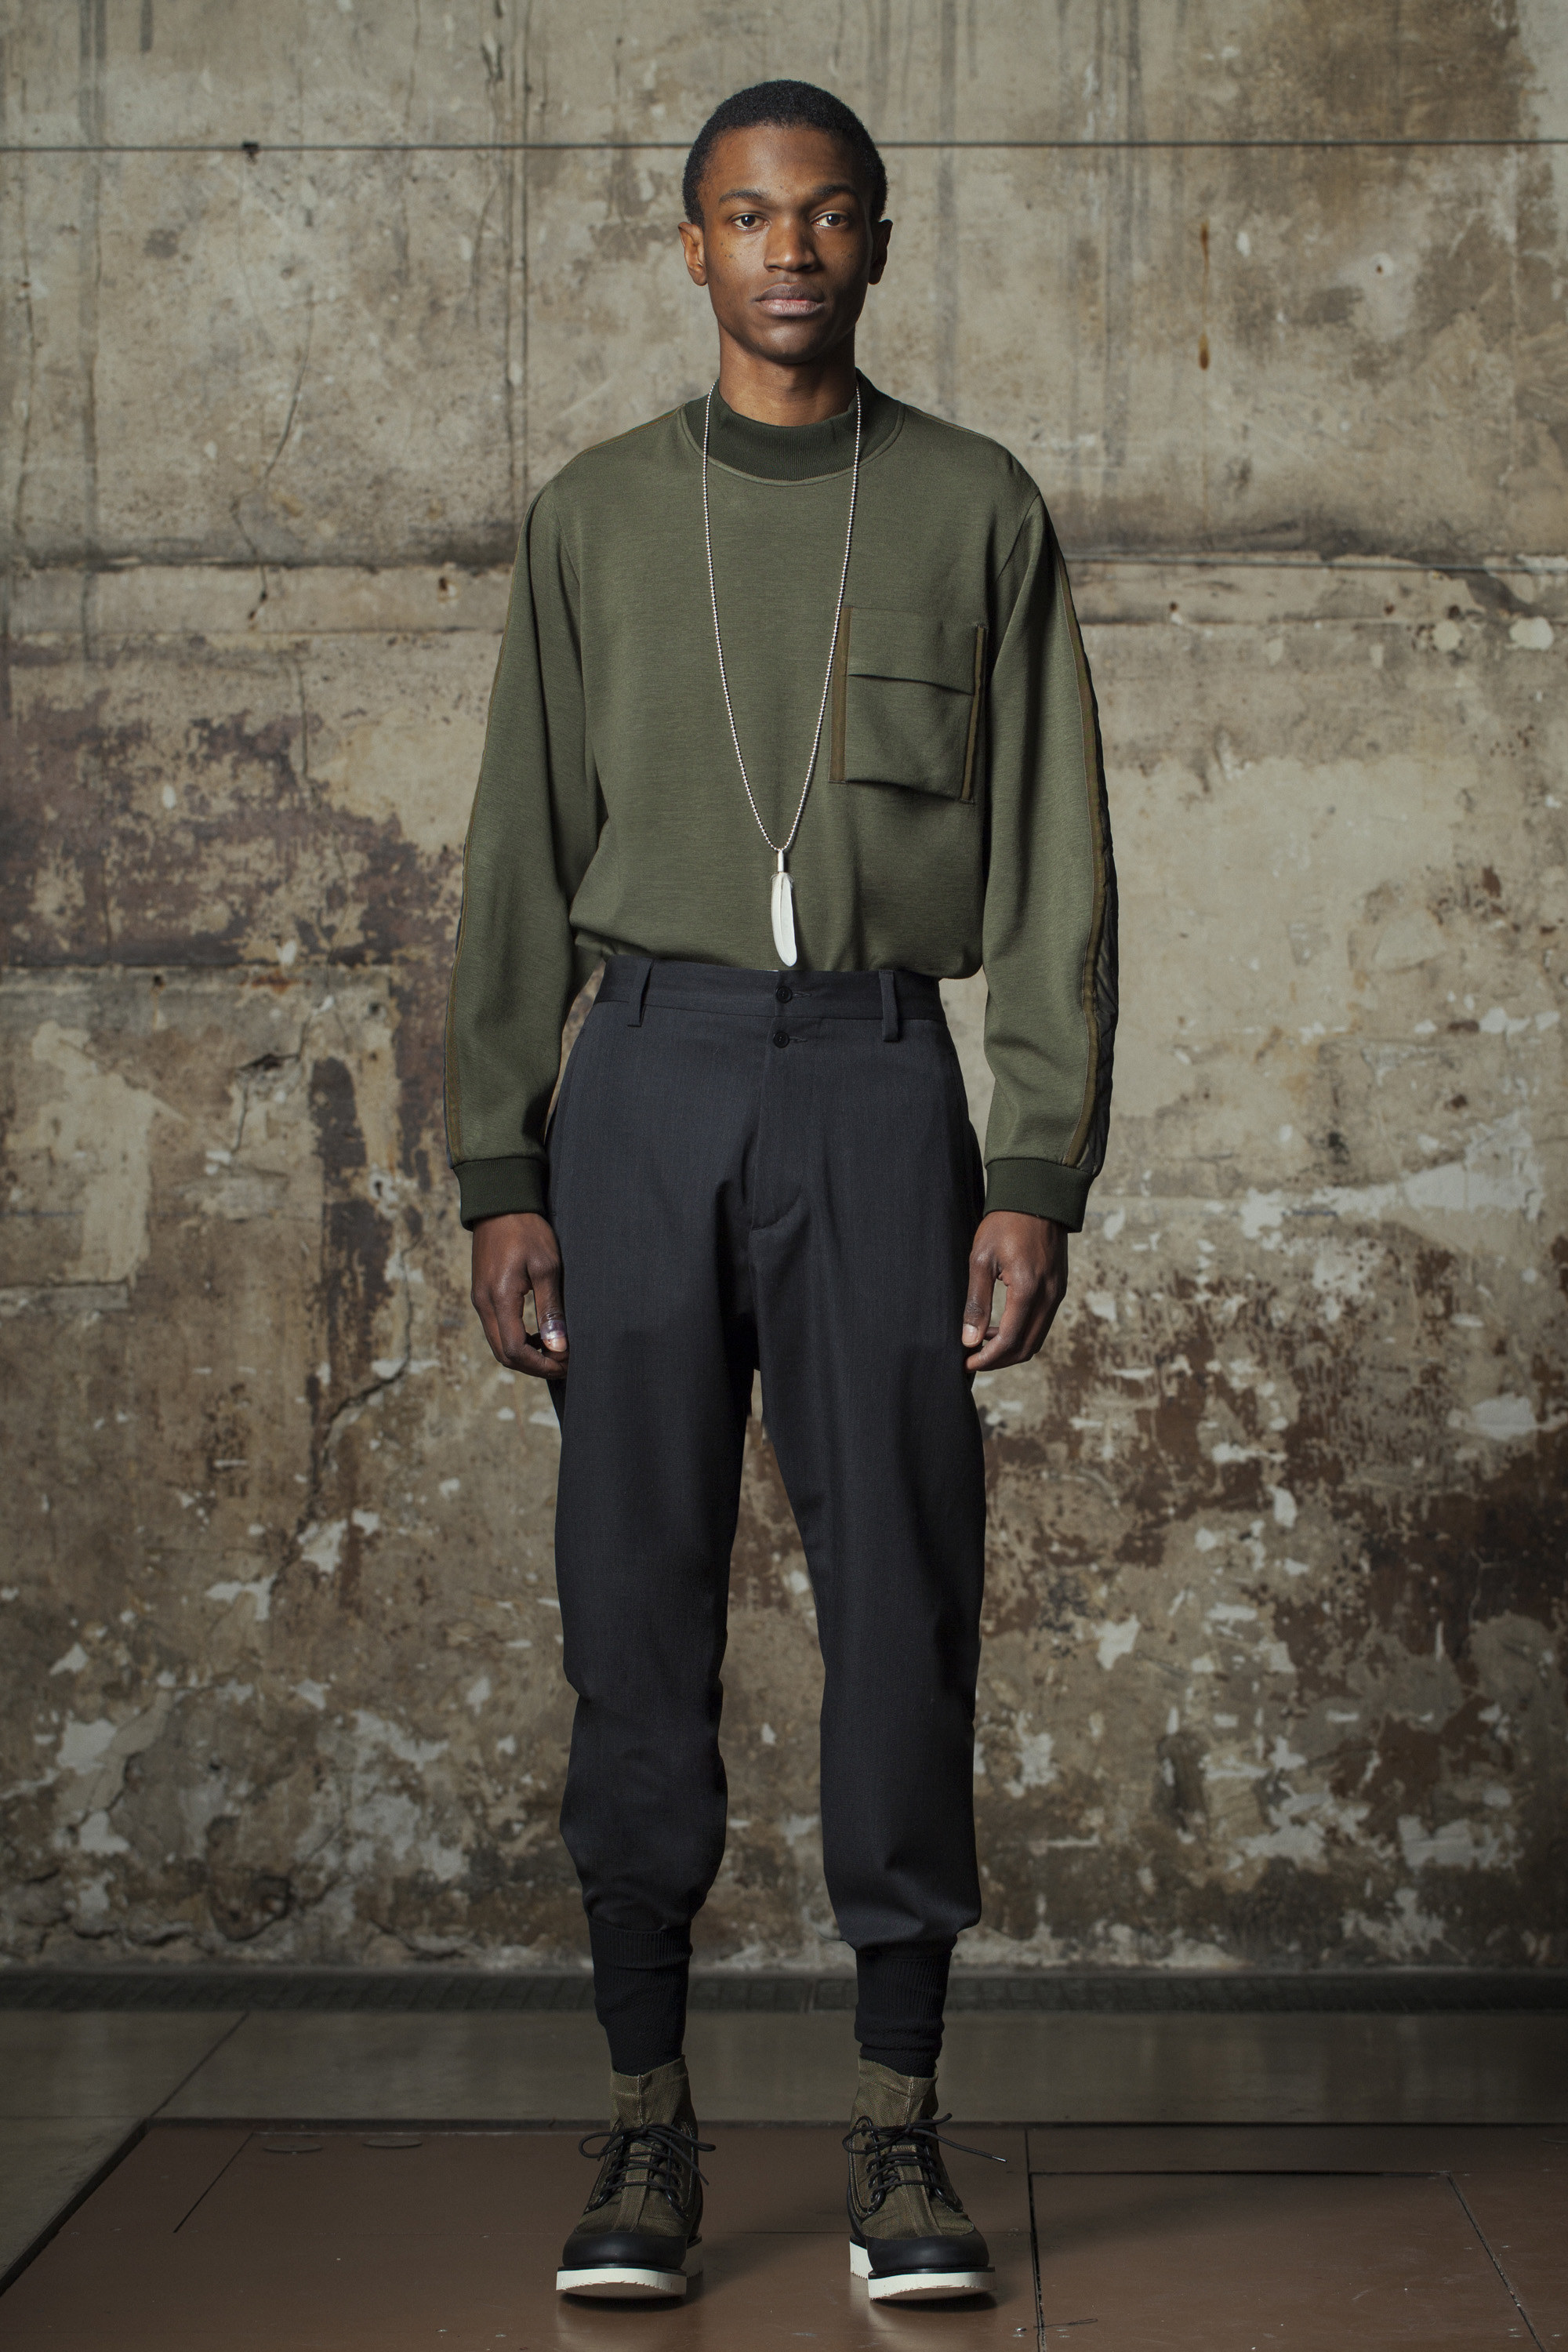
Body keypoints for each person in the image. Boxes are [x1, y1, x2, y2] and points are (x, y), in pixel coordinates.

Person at [445, 78, 1116, 2307]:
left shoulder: (973, 506)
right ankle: (645, 2123)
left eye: (827, 214)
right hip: (640, 1080)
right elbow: (516, 855)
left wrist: (1037, 1160)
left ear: (882, 240)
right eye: (748, 216)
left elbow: (1059, 854)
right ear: (692, 247)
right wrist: (499, 1159)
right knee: (632, 1596)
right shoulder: (591, 517)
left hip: (877, 1088)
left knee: (902, 1598)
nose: (790, 249)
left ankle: (900, 2125)